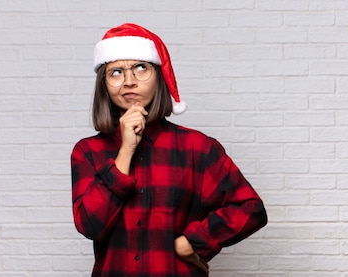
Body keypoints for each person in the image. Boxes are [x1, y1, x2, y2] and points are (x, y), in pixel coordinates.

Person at [71, 23, 267, 277]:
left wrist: (194, 241)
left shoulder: (197, 148)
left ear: (159, 76)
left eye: (141, 68)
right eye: (116, 72)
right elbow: (90, 225)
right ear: (105, 85)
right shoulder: (88, 152)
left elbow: (249, 208)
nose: (129, 81)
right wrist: (126, 151)